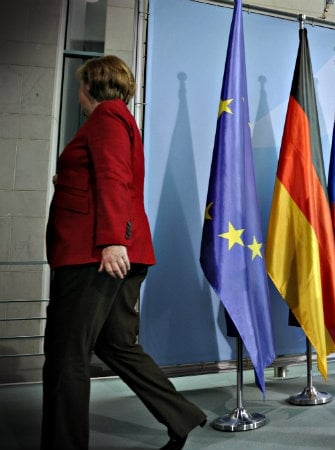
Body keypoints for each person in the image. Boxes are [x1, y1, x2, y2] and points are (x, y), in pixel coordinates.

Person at [42, 55, 207, 450]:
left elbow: (114, 179)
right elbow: (110, 178)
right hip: (116, 252)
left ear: (90, 87)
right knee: (116, 345)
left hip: (94, 256)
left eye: (81, 85)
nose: (78, 93)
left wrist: (112, 240)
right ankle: (181, 416)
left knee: (67, 354)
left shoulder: (105, 119)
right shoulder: (119, 119)